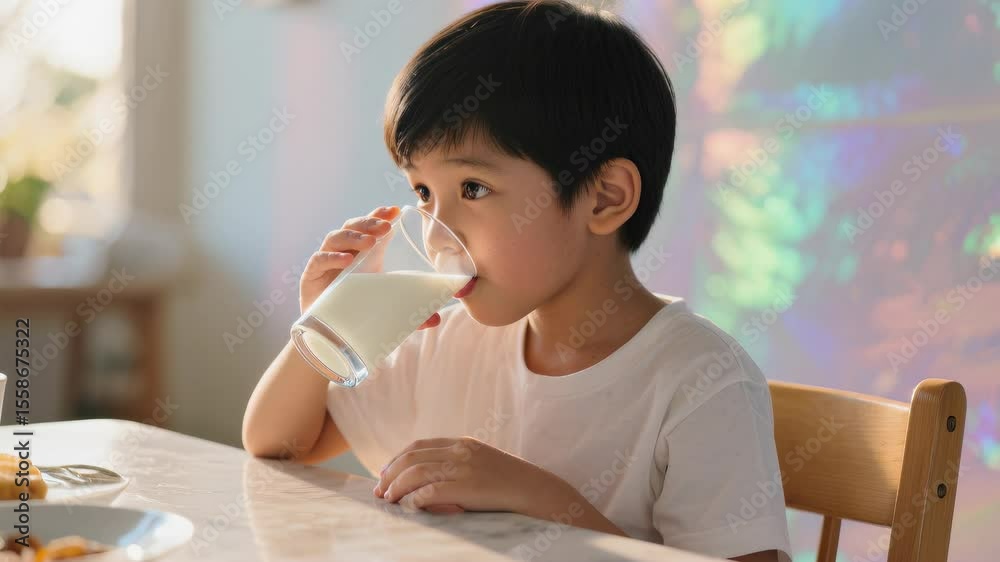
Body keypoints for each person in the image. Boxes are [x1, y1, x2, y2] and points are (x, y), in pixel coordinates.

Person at [243, 2, 790, 560]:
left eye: (473, 189)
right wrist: (324, 328)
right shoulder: (446, 342)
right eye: (423, 193)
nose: (435, 235)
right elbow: (278, 443)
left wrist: (543, 500)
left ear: (605, 198)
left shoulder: (700, 380)